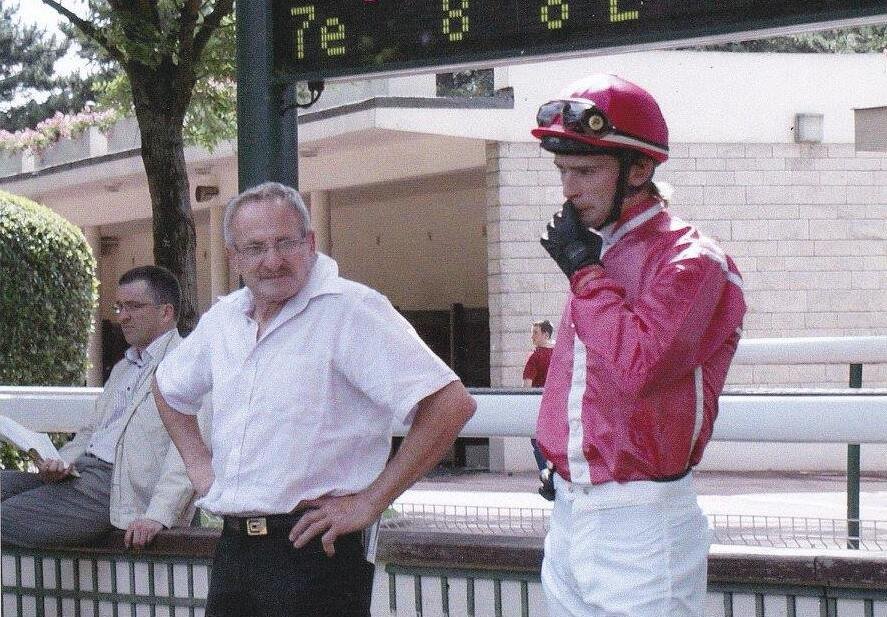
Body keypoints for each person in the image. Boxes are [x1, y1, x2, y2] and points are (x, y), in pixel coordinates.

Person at [152, 181, 476, 617]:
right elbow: (168, 387)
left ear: (310, 242)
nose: (272, 260)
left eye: (285, 242)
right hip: (235, 550)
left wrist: (371, 501)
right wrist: (198, 464)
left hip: (317, 549)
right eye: (255, 248)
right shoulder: (225, 318)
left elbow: (450, 404)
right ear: (233, 257)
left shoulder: (349, 309)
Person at [531, 74, 747, 616]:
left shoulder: (692, 260)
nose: (568, 190)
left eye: (585, 172)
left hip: (642, 523)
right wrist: (558, 445)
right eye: (562, 171)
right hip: (569, 512)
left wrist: (584, 274)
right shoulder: (599, 253)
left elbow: (640, 366)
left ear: (639, 170)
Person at [1, 265, 197, 550]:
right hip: (80, 475)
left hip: (116, 490)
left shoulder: (187, 366)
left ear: (166, 312)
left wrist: (158, 515)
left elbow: (189, 455)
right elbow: (91, 432)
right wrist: (58, 462)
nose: (123, 317)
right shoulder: (124, 368)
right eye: (120, 307)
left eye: (134, 306)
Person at [523, 319, 554, 470]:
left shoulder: (534, 357)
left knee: (537, 443)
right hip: (557, 406)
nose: (532, 337)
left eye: (535, 333)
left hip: (538, 406)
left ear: (545, 335)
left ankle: (546, 474)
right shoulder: (560, 354)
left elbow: (527, 386)